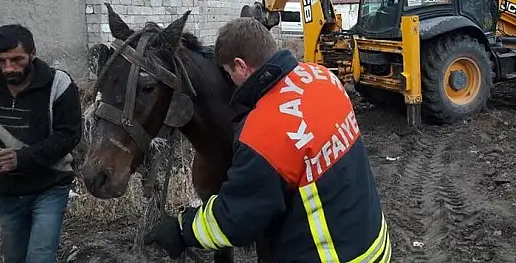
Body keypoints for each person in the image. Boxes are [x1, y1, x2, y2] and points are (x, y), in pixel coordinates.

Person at [145, 17, 391, 262]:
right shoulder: (322, 76)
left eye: (229, 72)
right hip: (375, 244)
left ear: (241, 66)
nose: (230, 80)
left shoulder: (263, 133)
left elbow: (235, 219)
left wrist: (181, 229)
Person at [0, 24, 83, 263]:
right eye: (1, 61)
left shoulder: (58, 84)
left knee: (40, 257)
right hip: (8, 190)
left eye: (17, 59)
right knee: (15, 257)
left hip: (50, 185)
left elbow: (68, 135)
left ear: (33, 53)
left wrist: (21, 159)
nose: (8, 68)